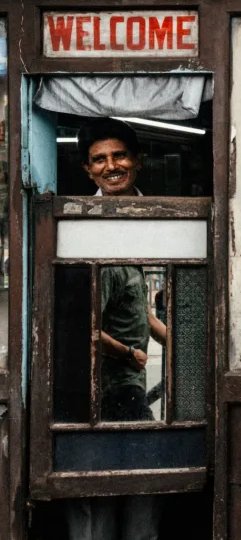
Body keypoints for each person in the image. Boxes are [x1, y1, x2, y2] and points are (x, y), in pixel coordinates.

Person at [65, 118, 164, 540]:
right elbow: (81, 324)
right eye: (99, 160)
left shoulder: (159, 217)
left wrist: (173, 338)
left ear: (137, 160)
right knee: (105, 486)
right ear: (88, 170)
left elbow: (135, 305)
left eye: (119, 155)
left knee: (139, 478)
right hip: (100, 389)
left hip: (129, 388)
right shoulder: (84, 230)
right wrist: (128, 352)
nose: (111, 166)